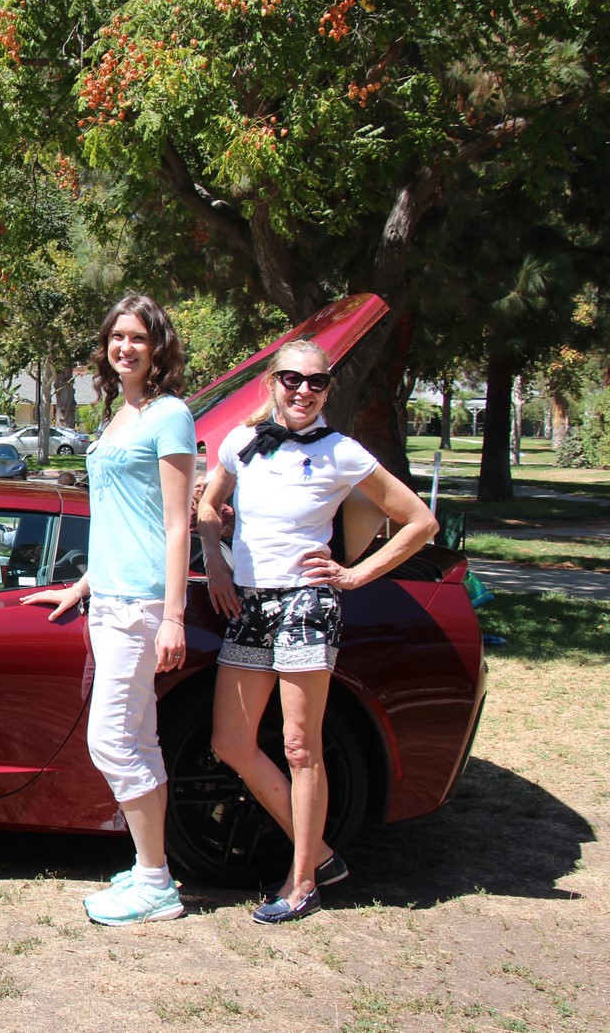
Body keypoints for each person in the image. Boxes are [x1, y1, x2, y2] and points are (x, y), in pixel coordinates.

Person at [196, 340, 436, 924]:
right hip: (249, 605)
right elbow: (207, 506)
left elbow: (419, 522)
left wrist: (355, 574)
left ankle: (301, 883)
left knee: (301, 747)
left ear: (328, 389)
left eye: (317, 382)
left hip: (307, 606)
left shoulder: (342, 452)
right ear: (271, 383)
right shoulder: (242, 442)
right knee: (230, 742)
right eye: (292, 379)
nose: (303, 391)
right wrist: (218, 559)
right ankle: (322, 855)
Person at [21, 294, 196, 926]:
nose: (125, 347)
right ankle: (151, 870)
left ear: (159, 349)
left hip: (144, 604)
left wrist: (174, 615)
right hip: (111, 595)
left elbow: (177, 525)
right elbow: (125, 519)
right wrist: (84, 584)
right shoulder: (118, 416)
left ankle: (155, 883)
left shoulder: (170, 415)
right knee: (138, 738)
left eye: (139, 339)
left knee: (112, 741)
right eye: (117, 337)